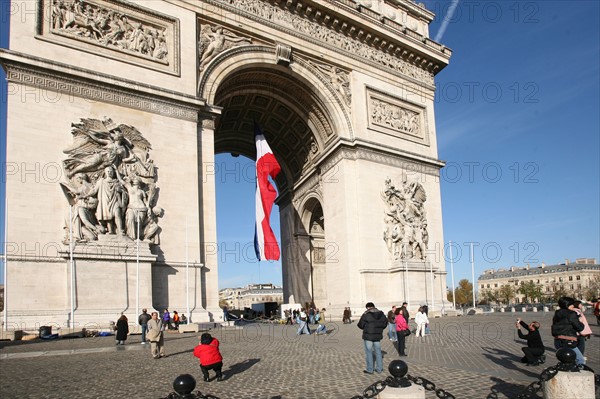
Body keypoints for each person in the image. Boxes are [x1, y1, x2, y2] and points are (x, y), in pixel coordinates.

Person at [551, 296, 585, 365]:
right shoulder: (571, 313)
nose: (573, 306)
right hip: (568, 340)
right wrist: (581, 322)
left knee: (566, 360)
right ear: (568, 305)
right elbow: (579, 327)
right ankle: (579, 374)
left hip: (558, 340)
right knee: (580, 360)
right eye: (572, 304)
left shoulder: (557, 313)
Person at [357, 302, 388, 374]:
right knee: (378, 352)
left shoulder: (366, 314)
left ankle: (370, 369)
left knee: (369, 352)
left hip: (368, 336)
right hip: (377, 336)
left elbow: (360, 325)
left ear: (368, 307)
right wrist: (379, 329)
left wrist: (366, 327)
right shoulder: (381, 314)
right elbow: (385, 323)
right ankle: (379, 369)